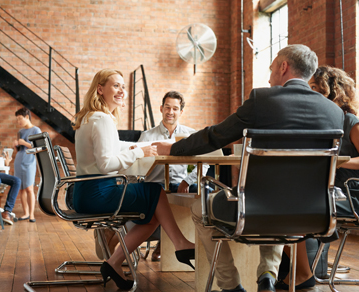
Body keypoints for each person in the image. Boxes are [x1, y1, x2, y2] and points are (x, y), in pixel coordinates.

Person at [153, 45, 344, 292]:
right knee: (279, 202)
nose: (269, 75)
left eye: (272, 67)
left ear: (284, 67)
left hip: (254, 210)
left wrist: (172, 149)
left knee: (200, 208)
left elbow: (215, 136)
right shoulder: (334, 112)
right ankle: (267, 275)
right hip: (316, 214)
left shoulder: (261, 100)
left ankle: (231, 286)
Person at [73, 69, 195, 290]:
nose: (121, 91)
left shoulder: (92, 117)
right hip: (98, 192)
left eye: (123, 86)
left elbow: (115, 146)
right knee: (155, 193)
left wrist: (141, 147)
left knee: (152, 214)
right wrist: (140, 152)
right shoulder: (102, 119)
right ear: (100, 89)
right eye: (116, 86)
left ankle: (114, 262)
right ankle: (180, 243)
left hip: (86, 191)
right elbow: (106, 164)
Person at [275, 65, 359, 290]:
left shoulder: (350, 121)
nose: (310, 94)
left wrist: (338, 160)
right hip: (326, 190)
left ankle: (302, 273)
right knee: (273, 201)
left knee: (289, 204)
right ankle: (299, 271)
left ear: (334, 92)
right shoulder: (318, 124)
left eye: (316, 89)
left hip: (350, 196)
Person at [137, 90, 209, 261]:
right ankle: (163, 242)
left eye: (175, 108)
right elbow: (137, 166)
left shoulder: (190, 135)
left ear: (181, 112)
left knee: (208, 192)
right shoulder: (147, 136)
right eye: (167, 107)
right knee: (156, 195)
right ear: (161, 109)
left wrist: (188, 179)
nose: (170, 112)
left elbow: (201, 163)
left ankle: (208, 243)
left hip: (181, 183)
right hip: (156, 185)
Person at [13, 107, 42, 222]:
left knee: (29, 188)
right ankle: (25, 213)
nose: (18, 121)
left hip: (30, 161)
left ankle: (31, 215)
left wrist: (24, 143)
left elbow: (38, 148)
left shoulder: (36, 130)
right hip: (19, 160)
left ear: (26, 117)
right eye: (17, 119)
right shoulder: (20, 132)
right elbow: (19, 150)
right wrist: (16, 145)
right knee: (21, 189)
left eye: (20, 119)